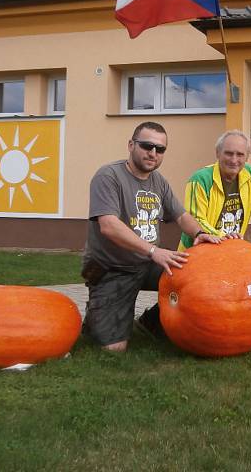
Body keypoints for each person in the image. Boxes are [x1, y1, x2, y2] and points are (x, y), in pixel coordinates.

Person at [81, 121, 220, 352]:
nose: (153, 153)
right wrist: (154, 251)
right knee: (113, 349)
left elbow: (181, 215)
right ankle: (97, 315)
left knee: (202, 279)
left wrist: (200, 233)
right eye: (147, 146)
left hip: (146, 264)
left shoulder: (159, 182)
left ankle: (152, 322)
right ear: (131, 145)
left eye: (160, 149)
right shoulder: (108, 176)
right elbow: (109, 226)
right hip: (113, 269)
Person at [179, 130, 251, 261]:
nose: (234, 160)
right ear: (218, 153)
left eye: (240, 154)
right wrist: (224, 238)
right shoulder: (200, 179)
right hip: (197, 254)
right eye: (229, 153)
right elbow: (195, 219)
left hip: (232, 253)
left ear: (247, 157)